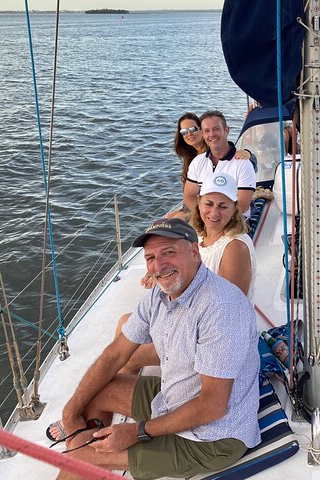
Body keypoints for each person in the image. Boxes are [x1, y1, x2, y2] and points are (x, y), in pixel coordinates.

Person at [49, 218, 260, 480]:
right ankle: (95, 444)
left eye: (168, 253)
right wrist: (70, 413)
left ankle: (91, 456)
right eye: (150, 257)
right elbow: (116, 354)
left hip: (212, 438)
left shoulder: (221, 307)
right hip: (173, 398)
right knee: (98, 391)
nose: (158, 266)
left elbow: (213, 406)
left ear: (194, 252)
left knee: (77, 457)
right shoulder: (159, 295)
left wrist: (136, 431)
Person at [118, 173, 256, 374]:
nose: (214, 213)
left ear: (235, 208)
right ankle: (129, 394)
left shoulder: (235, 248)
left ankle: (130, 398)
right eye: (209, 203)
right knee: (125, 323)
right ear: (199, 203)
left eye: (223, 206)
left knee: (127, 355)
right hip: (191, 318)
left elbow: (227, 315)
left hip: (212, 337)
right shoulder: (199, 235)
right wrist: (158, 271)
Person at [172, 112, 253, 218]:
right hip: (202, 213)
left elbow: (242, 205)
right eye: (183, 131)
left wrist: (249, 153)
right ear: (203, 133)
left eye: (216, 129)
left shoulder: (242, 162)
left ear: (226, 130)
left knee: (175, 222)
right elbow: (189, 196)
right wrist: (204, 216)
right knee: (162, 226)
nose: (189, 134)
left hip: (232, 219)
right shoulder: (196, 160)